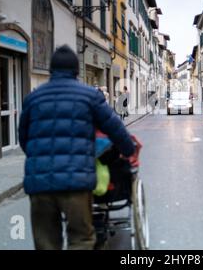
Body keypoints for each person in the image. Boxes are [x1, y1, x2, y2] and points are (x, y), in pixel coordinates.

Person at [18, 45, 136, 250]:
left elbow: (24, 138)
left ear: (51, 70)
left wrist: (41, 160)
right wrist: (128, 151)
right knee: (81, 239)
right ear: (76, 70)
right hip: (76, 182)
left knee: (46, 243)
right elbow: (115, 128)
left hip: (40, 184)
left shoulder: (33, 98)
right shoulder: (90, 96)